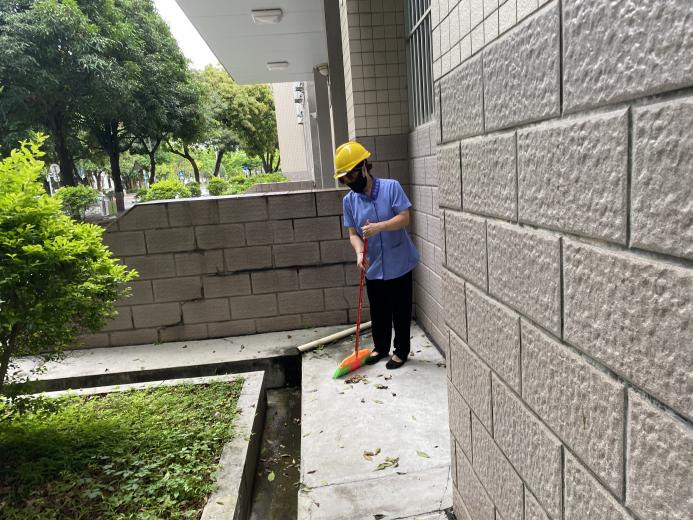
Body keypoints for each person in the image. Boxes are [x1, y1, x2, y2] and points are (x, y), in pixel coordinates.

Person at [335, 141, 420, 369]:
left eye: (351, 176)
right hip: (373, 265)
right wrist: (359, 252)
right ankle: (380, 347)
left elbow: (404, 218)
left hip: (399, 262)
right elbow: (353, 234)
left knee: (400, 309)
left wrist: (379, 227)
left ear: (364, 167)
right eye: (343, 179)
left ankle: (400, 351)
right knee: (379, 310)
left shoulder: (391, 188)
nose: (348, 182)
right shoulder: (349, 201)